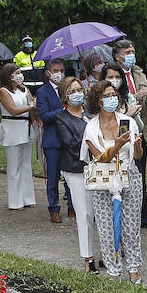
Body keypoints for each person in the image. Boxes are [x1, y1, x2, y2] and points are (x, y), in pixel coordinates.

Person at [81, 79, 144, 283]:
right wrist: (117, 145)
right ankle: (113, 268)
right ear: (98, 101)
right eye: (106, 96)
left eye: (114, 95)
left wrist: (136, 145)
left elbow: (139, 156)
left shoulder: (128, 121)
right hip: (104, 181)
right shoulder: (91, 127)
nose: (112, 99)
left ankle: (133, 267)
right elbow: (102, 158)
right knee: (106, 227)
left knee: (131, 226)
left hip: (130, 176)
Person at [112, 40, 147, 230]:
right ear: (118, 56)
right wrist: (138, 97)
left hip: (141, 127)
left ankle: (143, 215)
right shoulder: (114, 75)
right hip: (122, 129)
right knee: (125, 172)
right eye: (128, 52)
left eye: (133, 50)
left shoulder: (138, 73)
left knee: (139, 172)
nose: (132, 54)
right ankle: (124, 212)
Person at [53, 76, 97, 271]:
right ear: (64, 95)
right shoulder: (61, 119)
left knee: (101, 213)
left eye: (79, 89)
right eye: (72, 91)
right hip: (76, 170)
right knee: (85, 213)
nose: (77, 94)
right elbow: (70, 143)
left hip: (98, 167)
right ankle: (88, 257)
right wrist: (89, 137)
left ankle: (109, 253)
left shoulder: (90, 113)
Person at [0, 61, 37, 211]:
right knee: (14, 166)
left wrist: (34, 106)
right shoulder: (3, 91)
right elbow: (13, 110)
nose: (20, 76)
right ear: (10, 75)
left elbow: (31, 103)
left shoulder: (24, 89)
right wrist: (31, 106)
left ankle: (28, 197)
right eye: (17, 73)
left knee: (26, 164)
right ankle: (15, 200)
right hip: (12, 128)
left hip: (26, 127)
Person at [36, 57, 69, 222]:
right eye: (56, 71)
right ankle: (54, 209)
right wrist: (62, 110)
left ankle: (72, 206)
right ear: (48, 73)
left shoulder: (69, 88)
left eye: (62, 71)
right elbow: (44, 115)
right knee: (53, 177)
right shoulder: (43, 92)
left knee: (71, 174)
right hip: (52, 140)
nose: (59, 74)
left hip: (69, 139)